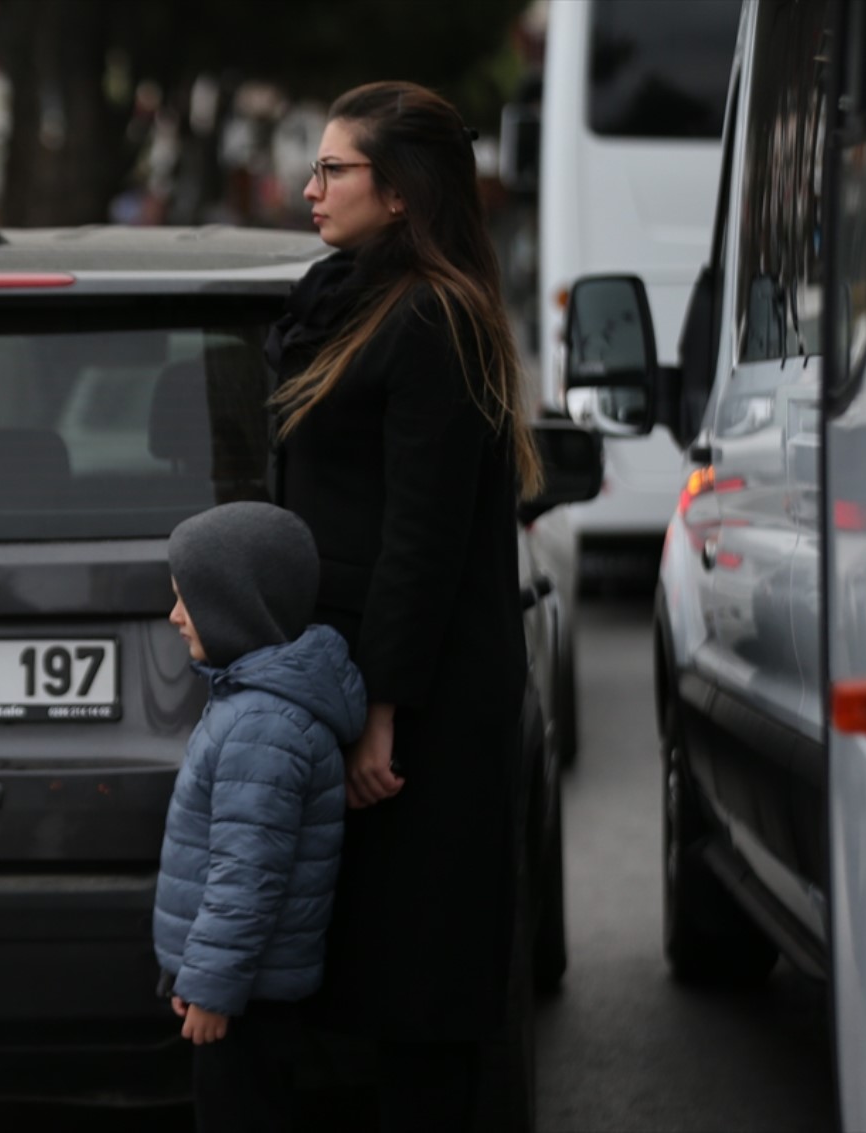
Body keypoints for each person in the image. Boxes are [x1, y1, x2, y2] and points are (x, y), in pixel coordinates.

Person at [265, 81, 546, 1131]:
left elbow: (420, 538)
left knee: (421, 989)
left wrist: (380, 709)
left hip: (415, 706)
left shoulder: (433, 316)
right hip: (350, 679)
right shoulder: (356, 297)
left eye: (333, 169)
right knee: (367, 979)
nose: (310, 187)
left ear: (399, 193)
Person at [151, 501, 367, 1133]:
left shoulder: (263, 724)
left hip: (245, 994)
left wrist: (214, 988)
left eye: (186, 599)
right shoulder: (252, 703)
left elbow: (248, 874)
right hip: (246, 984)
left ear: (233, 606)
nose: (174, 616)